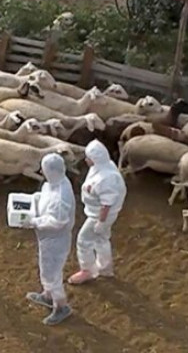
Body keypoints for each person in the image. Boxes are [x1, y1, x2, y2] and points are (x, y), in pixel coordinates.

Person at [25, 152, 75, 326]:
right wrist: (35, 200)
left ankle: (61, 306)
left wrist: (34, 222)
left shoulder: (61, 196)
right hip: (46, 238)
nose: (42, 171)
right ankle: (47, 296)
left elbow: (58, 221)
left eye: (44, 169)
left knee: (52, 273)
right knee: (45, 268)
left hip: (56, 240)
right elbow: (46, 199)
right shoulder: (52, 184)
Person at [70, 139, 127, 286]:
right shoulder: (104, 167)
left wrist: (101, 222)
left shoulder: (106, 178)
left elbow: (106, 204)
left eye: (89, 157)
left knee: (83, 240)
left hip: (99, 215)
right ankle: (105, 269)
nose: (86, 160)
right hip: (99, 213)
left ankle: (87, 270)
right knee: (101, 239)